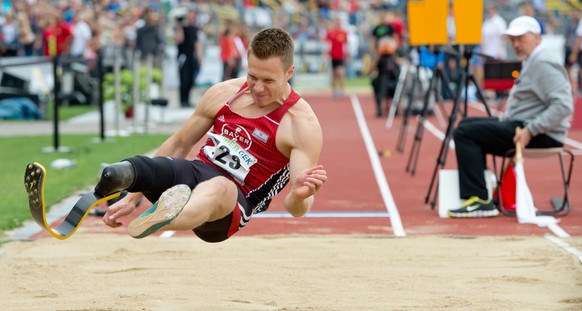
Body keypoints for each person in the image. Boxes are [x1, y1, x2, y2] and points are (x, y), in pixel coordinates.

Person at [93, 28, 327, 242]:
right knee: (145, 164)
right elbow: (180, 142)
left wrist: (299, 194)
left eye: (268, 81)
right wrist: (132, 199)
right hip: (195, 174)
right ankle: (114, 179)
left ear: (289, 72)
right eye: (252, 77)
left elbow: (296, 208)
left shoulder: (300, 124)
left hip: (232, 205)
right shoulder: (224, 93)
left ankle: (169, 215)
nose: (257, 88)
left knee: (218, 187)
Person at [448, 16, 573, 218]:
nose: (515, 44)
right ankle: (483, 195)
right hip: (522, 126)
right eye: (512, 39)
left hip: (538, 133)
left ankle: (479, 199)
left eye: (520, 38)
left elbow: (564, 105)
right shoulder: (533, 60)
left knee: (464, 132)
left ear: (536, 38)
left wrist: (530, 130)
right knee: (466, 124)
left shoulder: (543, 62)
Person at [176, 9, 203, 108]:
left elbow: (197, 43)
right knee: (184, 79)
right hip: (183, 57)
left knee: (191, 79)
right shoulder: (182, 28)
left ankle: (187, 99)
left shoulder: (193, 29)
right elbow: (179, 40)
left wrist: (200, 56)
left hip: (192, 57)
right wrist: (179, 27)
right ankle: (183, 100)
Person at [324, 17, 349, 98]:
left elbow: (346, 45)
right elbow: (327, 43)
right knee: (334, 74)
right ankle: (334, 91)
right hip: (332, 56)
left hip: (340, 55)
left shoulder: (344, 33)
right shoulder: (330, 32)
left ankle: (342, 90)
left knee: (341, 73)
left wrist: (347, 54)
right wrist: (325, 52)